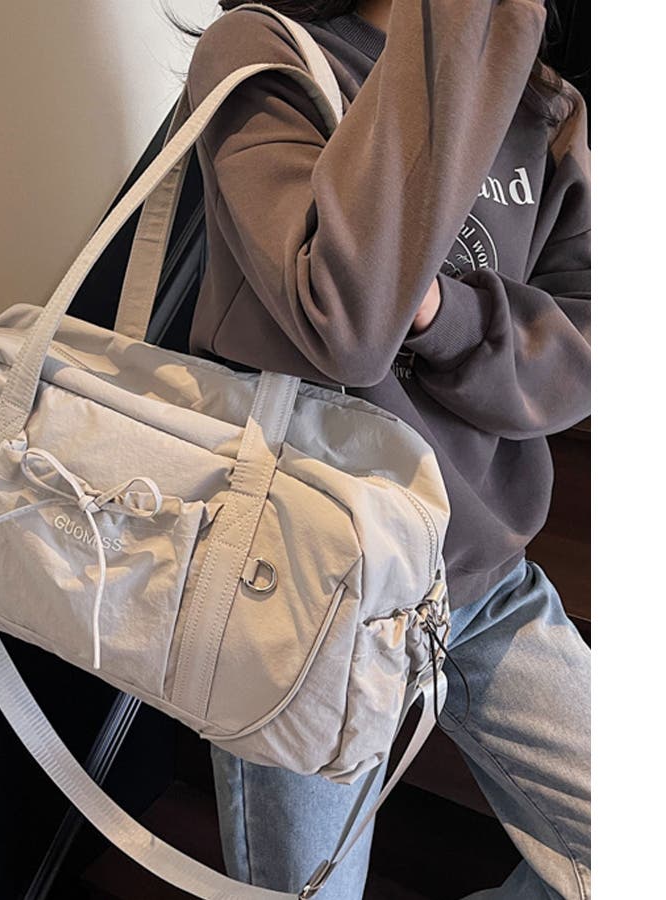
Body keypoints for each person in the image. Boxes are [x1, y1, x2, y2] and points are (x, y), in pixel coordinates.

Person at [171, 1, 591, 897]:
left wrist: (446, 314)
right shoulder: (263, 51)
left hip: (478, 576)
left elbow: (585, 355)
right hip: (301, 589)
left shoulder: (546, 105)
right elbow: (350, 321)